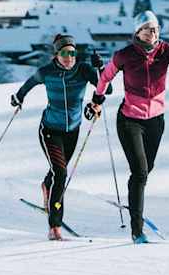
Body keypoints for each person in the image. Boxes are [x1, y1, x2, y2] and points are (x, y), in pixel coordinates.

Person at [86, 10, 169, 243]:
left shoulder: (167, 50)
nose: (152, 32)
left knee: (145, 172)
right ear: (138, 32)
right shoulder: (124, 55)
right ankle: (137, 230)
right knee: (140, 172)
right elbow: (105, 77)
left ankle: (135, 200)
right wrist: (96, 100)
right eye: (147, 28)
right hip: (129, 120)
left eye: (155, 28)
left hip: (156, 120)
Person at [11, 33, 103, 240]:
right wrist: (18, 98)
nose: (69, 57)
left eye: (72, 52)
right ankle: (54, 226)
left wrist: (101, 69)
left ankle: (46, 185)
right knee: (61, 174)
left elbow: (107, 87)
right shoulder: (46, 72)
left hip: (73, 130)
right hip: (50, 130)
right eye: (64, 53)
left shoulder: (84, 70)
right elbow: (27, 85)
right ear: (57, 54)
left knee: (57, 173)